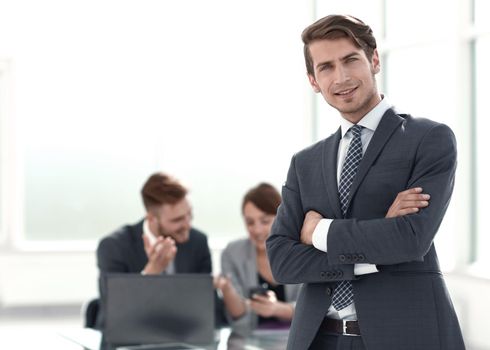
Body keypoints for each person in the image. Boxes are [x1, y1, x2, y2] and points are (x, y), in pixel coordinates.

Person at [266, 14, 465, 350]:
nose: (341, 77)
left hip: (404, 336)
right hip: (318, 339)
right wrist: (372, 247)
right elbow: (282, 261)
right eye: (326, 67)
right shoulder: (305, 164)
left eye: (350, 60)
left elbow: (410, 241)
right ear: (313, 80)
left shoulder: (428, 139)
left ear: (373, 59)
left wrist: (319, 233)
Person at [95, 172, 212, 329]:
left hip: (180, 336)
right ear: (151, 219)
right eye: (177, 220)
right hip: (128, 337)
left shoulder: (198, 241)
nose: (188, 225)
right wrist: (151, 273)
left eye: (189, 215)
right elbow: (115, 312)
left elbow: (205, 308)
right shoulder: (114, 247)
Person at [215, 183, 300, 335]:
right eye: (250, 222)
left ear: (281, 218)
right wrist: (227, 290)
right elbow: (239, 318)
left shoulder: (300, 251)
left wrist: (277, 309)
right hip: (250, 339)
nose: (257, 230)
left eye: (265, 221)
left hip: (296, 338)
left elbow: (313, 310)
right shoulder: (233, 253)